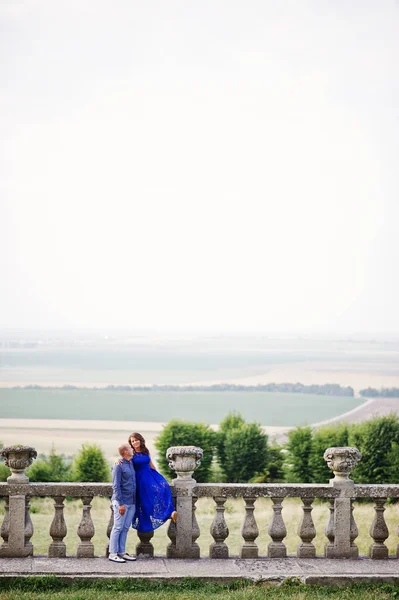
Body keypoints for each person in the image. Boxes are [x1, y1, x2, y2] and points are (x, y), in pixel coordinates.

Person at [128, 432, 177, 532]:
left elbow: (152, 465)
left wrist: (159, 479)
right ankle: (155, 519)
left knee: (162, 489)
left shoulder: (146, 451)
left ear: (140, 440)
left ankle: (169, 513)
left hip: (149, 475)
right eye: (132, 441)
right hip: (139, 479)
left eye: (136, 440)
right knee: (145, 501)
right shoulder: (131, 453)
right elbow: (124, 461)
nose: (135, 442)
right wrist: (117, 461)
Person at [109, 443, 137, 563]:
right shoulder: (118, 466)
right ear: (125, 452)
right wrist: (120, 504)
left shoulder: (130, 463)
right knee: (118, 527)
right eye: (130, 448)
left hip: (132, 501)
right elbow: (116, 486)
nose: (132, 448)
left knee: (125, 528)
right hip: (122, 502)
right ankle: (113, 553)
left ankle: (122, 552)